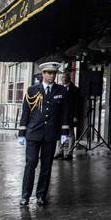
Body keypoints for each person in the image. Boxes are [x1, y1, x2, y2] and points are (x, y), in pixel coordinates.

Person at [18, 62, 70, 207]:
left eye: (53, 73)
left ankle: (41, 195)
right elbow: (25, 112)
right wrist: (22, 132)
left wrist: (65, 131)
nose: (51, 76)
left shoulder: (61, 91)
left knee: (46, 166)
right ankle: (25, 196)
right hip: (33, 133)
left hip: (50, 134)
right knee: (31, 164)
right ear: (43, 74)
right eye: (48, 73)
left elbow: (65, 113)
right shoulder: (32, 90)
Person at [56, 72, 84, 161]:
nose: (62, 79)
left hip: (70, 115)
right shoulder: (59, 88)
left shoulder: (75, 89)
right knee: (60, 133)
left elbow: (77, 104)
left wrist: (75, 116)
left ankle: (69, 153)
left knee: (71, 133)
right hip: (60, 115)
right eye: (61, 77)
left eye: (64, 77)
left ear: (68, 78)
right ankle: (59, 152)